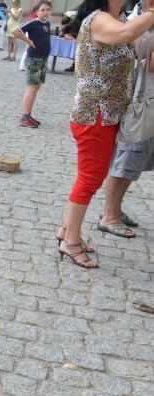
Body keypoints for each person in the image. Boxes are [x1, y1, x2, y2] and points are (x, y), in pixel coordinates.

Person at [55, 0, 154, 268]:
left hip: (110, 114)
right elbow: (126, 36)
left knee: (93, 177)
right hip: (95, 114)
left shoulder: (121, 18)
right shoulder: (99, 20)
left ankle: (67, 230)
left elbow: (143, 57)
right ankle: (71, 243)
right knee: (90, 179)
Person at [96, 0, 154, 239]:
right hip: (141, 101)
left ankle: (116, 210)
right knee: (127, 158)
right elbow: (147, 64)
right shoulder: (132, 22)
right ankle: (109, 215)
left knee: (136, 161)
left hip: (147, 100)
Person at [12, 1, 52, 128]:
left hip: (43, 58)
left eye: (48, 9)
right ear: (37, 11)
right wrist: (28, 40)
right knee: (32, 87)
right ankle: (24, 117)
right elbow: (15, 30)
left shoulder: (47, 23)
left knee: (36, 87)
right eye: (43, 10)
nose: (45, 12)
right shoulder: (34, 22)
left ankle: (28, 114)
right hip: (34, 58)